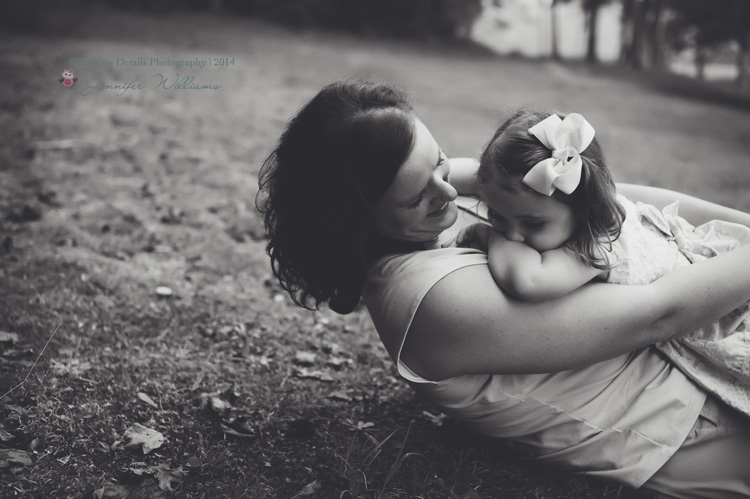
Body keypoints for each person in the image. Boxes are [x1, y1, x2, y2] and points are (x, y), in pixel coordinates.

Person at [256, 79, 750, 498]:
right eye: (417, 197)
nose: (449, 192)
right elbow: (659, 313)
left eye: (441, 162)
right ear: (354, 225)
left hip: (703, 342)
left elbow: (605, 198)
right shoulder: (431, 302)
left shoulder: (429, 215)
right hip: (697, 418)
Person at [447, 108, 750, 417]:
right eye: (497, 215)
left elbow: (529, 281)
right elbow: (466, 175)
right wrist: (432, 176)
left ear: (583, 211)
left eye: (532, 224)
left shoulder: (597, 245)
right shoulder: (554, 204)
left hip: (719, 310)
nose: (514, 235)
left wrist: (489, 236)